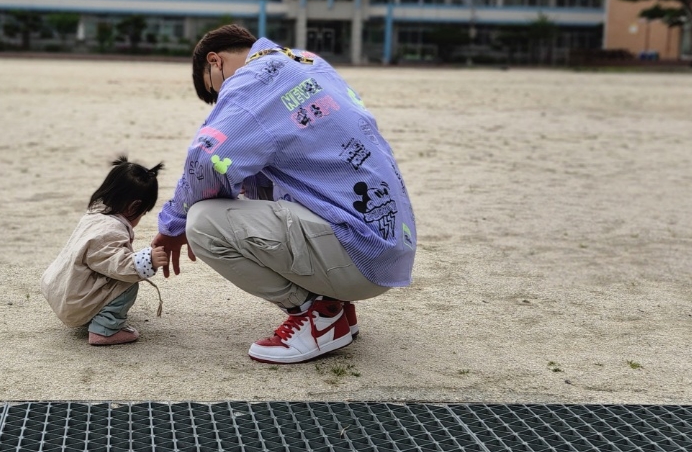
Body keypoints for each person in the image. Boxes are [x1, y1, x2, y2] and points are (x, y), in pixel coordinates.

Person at [152, 24, 416, 364]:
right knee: (265, 184)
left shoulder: (253, 81)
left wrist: (174, 223)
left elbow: (207, 159)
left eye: (215, 89)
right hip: (385, 247)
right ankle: (333, 304)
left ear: (215, 61)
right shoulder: (308, 62)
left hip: (357, 251)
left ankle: (318, 317)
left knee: (202, 223)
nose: (222, 98)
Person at [42, 157, 168, 346]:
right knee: (128, 283)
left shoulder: (94, 215)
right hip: (73, 301)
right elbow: (120, 266)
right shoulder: (110, 230)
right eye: (143, 213)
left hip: (59, 288)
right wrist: (148, 259)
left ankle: (92, 311)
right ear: (134, 207)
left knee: (118, 280)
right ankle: (105, 331)